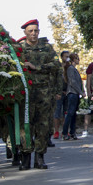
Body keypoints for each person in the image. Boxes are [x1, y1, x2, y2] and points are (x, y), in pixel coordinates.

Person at [19, 19, 62, 170]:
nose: (34, 34)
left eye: (36, 31)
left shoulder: (46, 47)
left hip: (44, 92)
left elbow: (56, 64)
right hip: (26, 92)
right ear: (25, 32)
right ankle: (25, 157)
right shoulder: (19, 49)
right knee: (26, 125)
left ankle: (39, 157)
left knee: (43, 125)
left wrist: (36, 67)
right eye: (30, 31)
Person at [62, 53, 85, 140]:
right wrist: (80, 91)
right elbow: (72, 82)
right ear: (73, 60)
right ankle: (65, 133)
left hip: (76, 94)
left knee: (73, 114)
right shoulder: (70, 69)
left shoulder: (74, 69)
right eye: (77, 58)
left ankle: (72, 132)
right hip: (72, 93)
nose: (78, 60)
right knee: (70, 113)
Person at [53, 50, 69, 139]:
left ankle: (65, 131)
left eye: (68, 56)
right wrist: (57, 91)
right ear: (62, 57)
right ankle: (56, 131)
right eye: (66, 56)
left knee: (66, 113)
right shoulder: (58, 66)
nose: (67, 58)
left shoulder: (70, 67)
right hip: (59, 92)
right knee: (57, 113)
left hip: (68, 92)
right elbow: (54, 79)